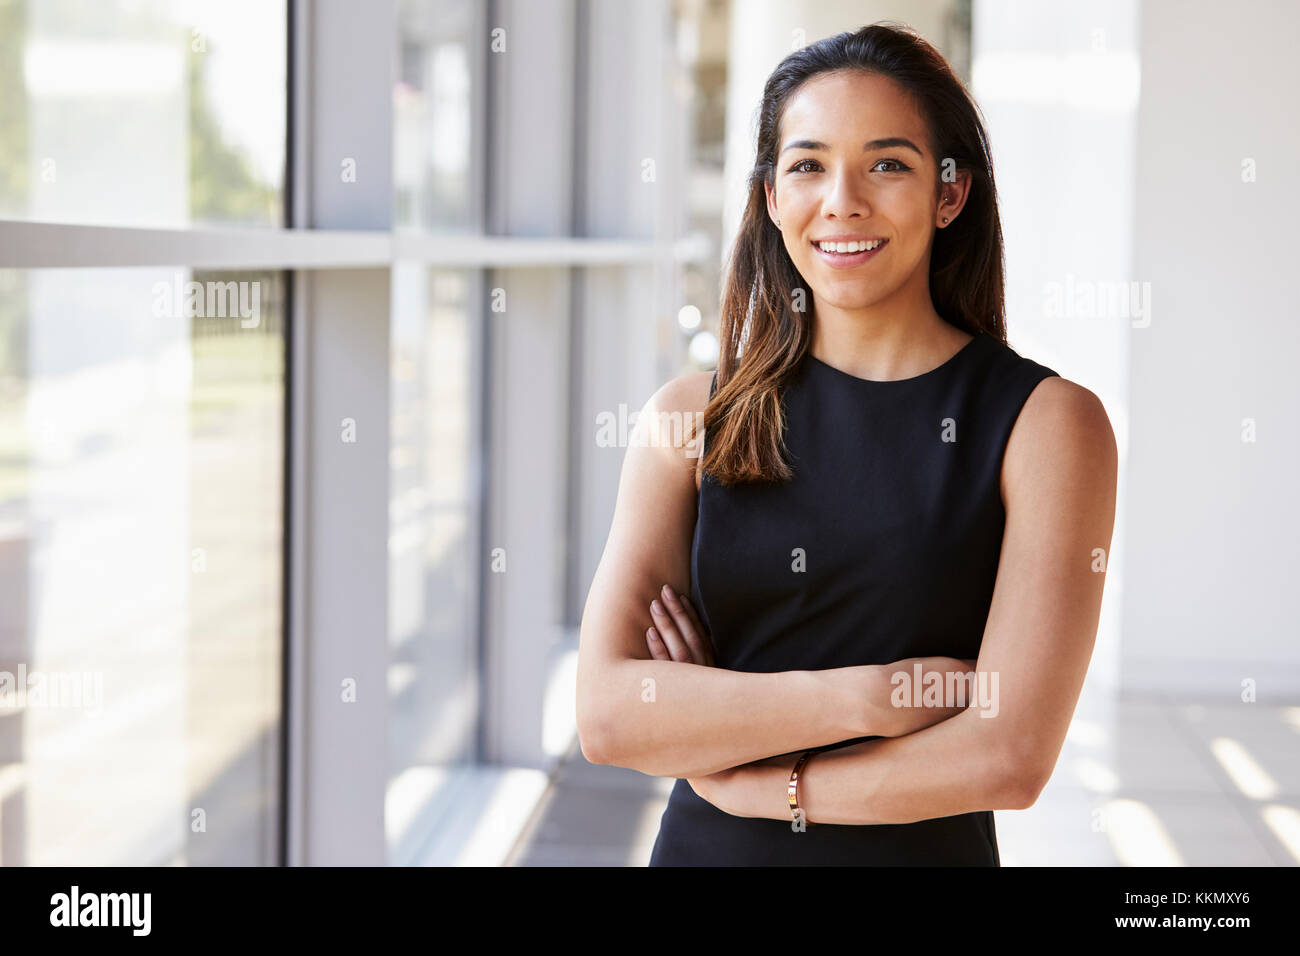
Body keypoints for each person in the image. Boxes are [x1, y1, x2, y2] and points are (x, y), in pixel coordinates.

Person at [575, 21, 1117, 866]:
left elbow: (1006, 758)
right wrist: (870, 696)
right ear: (768, 197)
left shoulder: (1047, 425)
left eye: (889, 164)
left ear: (950, 194)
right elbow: (610, 715)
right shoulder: (688, 420)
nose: (843, 202)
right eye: (807, 165)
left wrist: (746, 760)